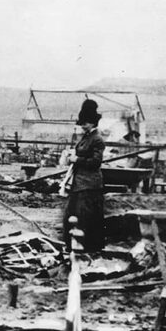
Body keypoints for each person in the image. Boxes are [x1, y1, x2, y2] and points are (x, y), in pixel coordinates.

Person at [62, 98, 105, 254]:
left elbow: (96, 162)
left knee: (85, 218)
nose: (82, 125)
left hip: (89, 185)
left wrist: (77, 159)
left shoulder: (97, 139)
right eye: (81, 123)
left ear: (93, 123)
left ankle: (88, 249)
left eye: (85, 122)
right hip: (78, 184)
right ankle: (71, 247)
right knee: (70, 216)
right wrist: (70, 156)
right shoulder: (85, 137)